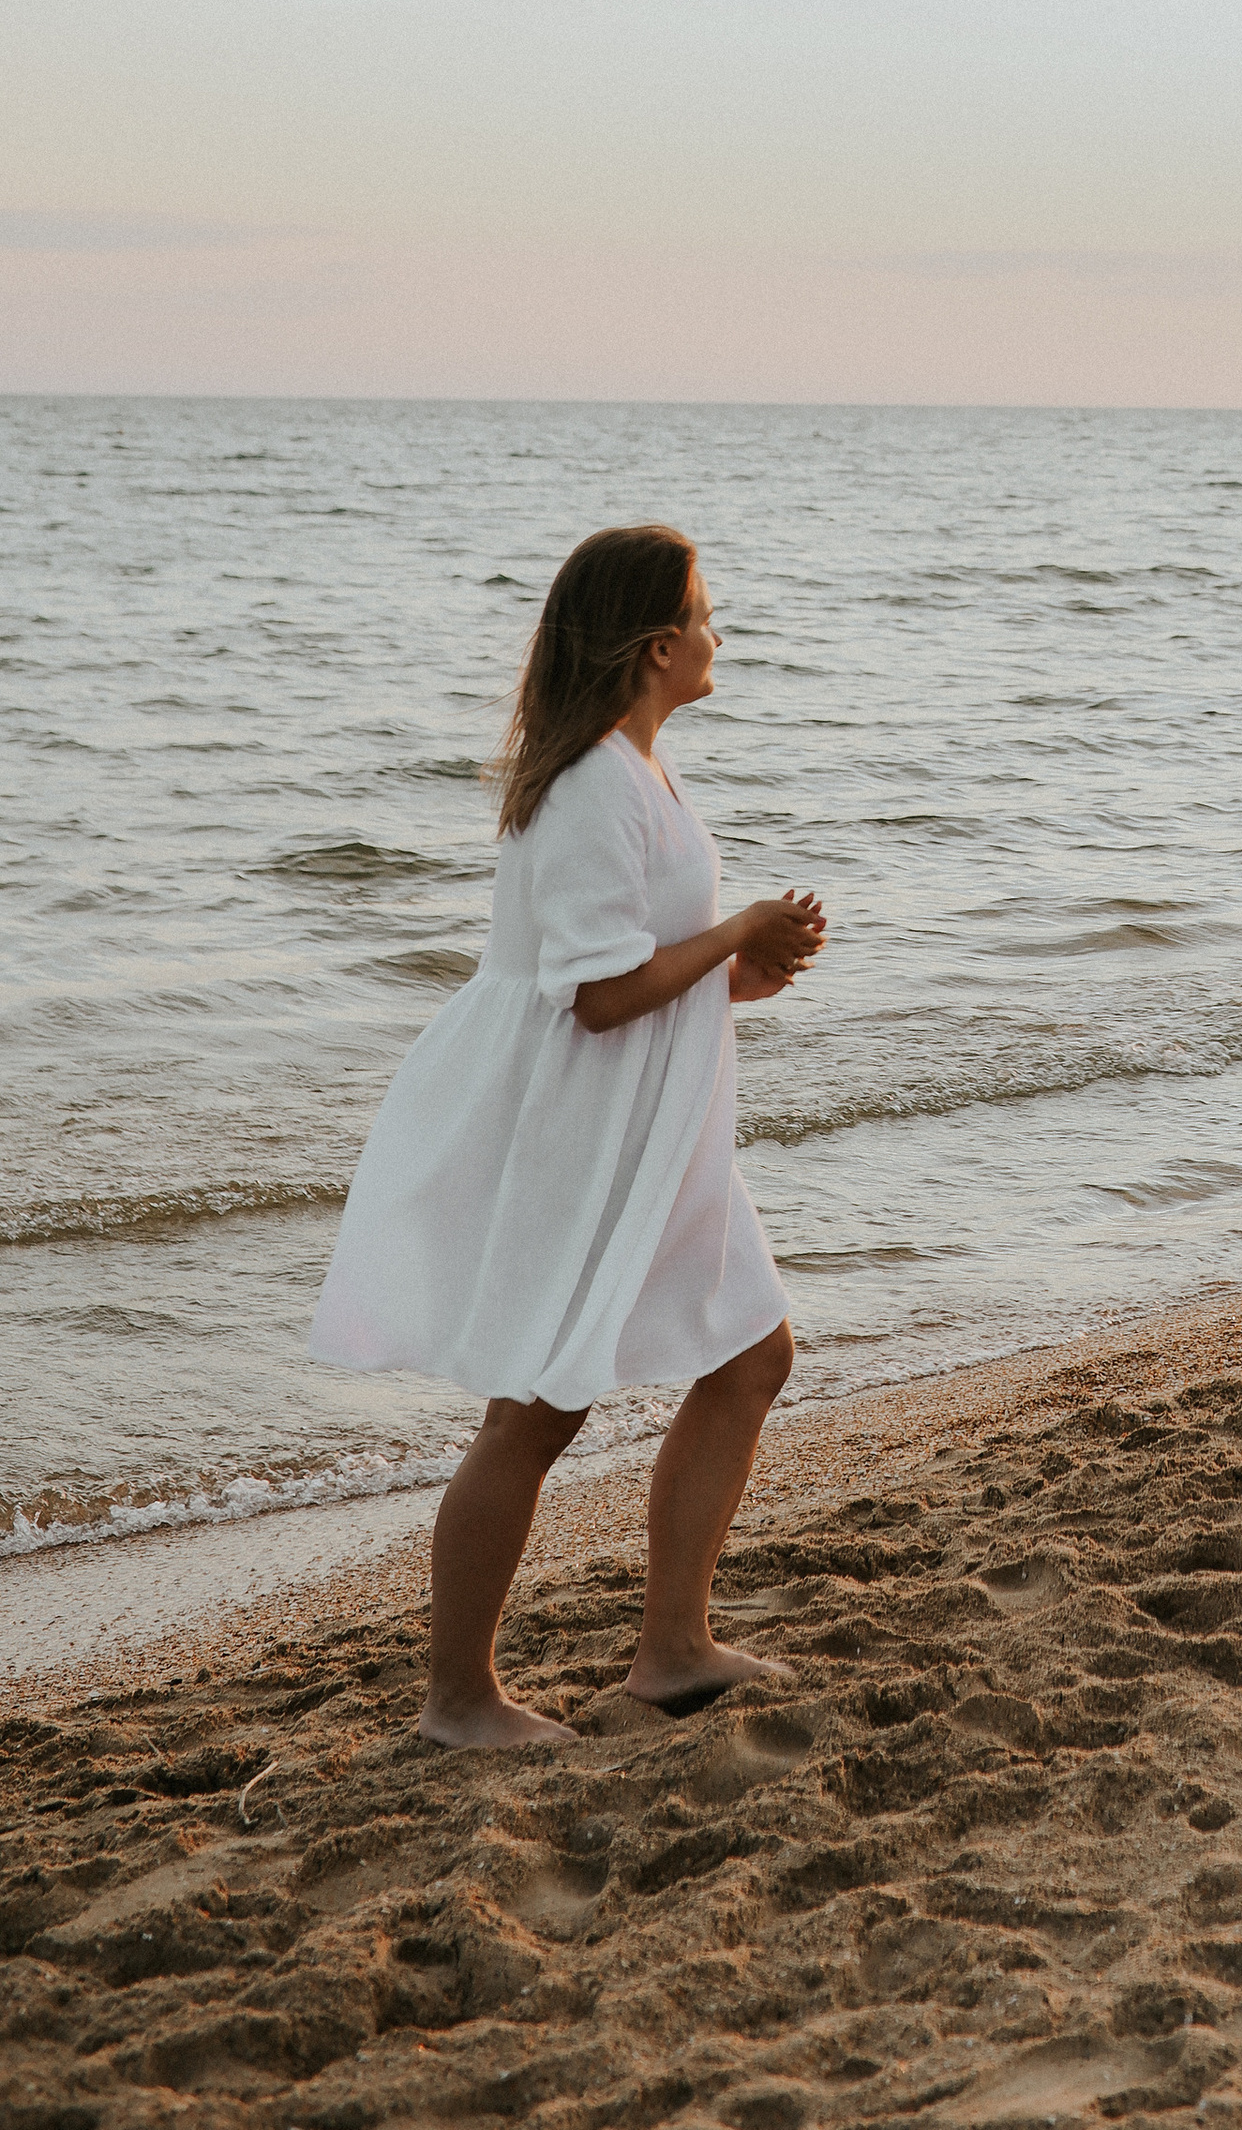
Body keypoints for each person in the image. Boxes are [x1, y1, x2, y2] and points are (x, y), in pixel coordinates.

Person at [310, 524, 827, 1747]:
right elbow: (593, 997)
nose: (717, 634)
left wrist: (739, 974)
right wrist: (734, 930)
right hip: (585, 1134)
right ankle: (458, 1700)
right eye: (702, 615)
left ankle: (674, 1650)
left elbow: (630, 962)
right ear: (656, 647)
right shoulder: (594, 782)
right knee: (536, 1411)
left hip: (656, 1132)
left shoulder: (635, 767)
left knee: (751, 1355)